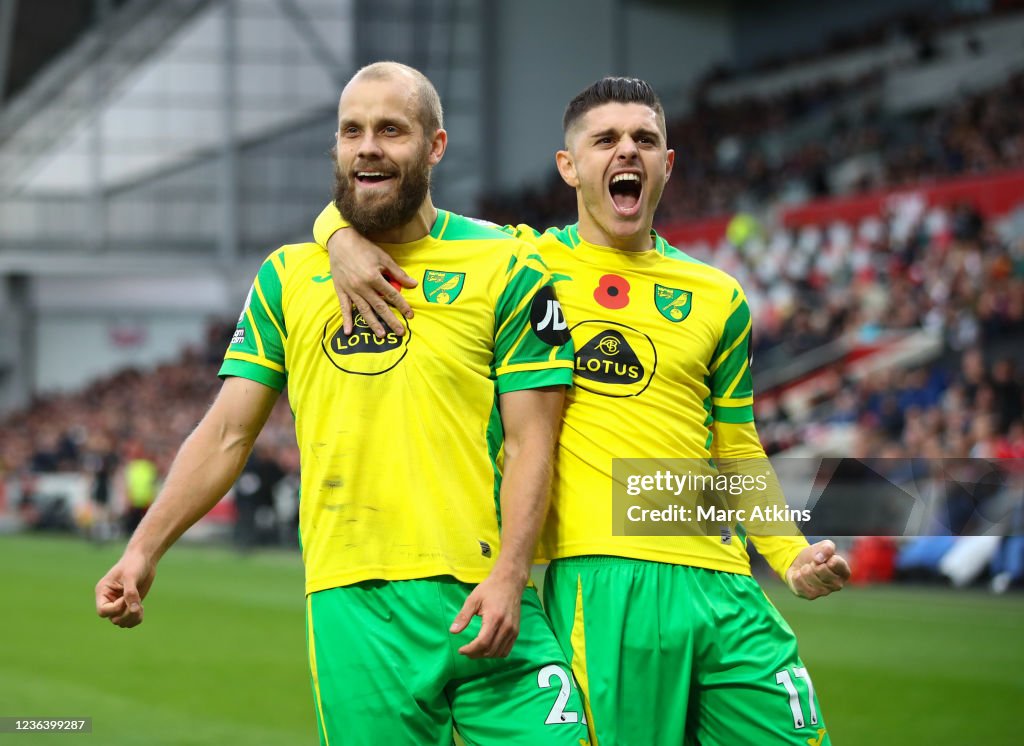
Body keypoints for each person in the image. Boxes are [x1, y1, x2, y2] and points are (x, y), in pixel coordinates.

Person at [313, 76, 851, 745]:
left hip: (727, 585)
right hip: (601, 582)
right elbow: (395, 209)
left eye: (644, 140)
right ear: (569, 166)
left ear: (666, 164)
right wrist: (335, 233)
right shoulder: (519, 261)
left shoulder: (719, 295)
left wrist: (790, 553)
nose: (627, 151)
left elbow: (735, 447)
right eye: (606, 140)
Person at [95, 62, 591, 746]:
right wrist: (143, 550)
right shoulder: (287, 278)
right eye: (351, 130)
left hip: (487, 592)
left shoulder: (505, 263)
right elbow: (225, 436)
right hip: (353, 606)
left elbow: (534, 440)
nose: (368, 146)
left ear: (435, 146)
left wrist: (511, 575)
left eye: (391, 129)